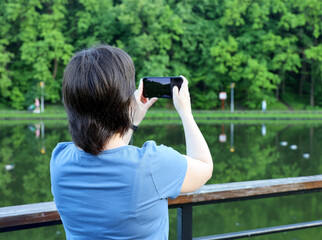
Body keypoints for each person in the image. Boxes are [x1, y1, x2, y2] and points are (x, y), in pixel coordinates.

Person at [50, 45, 213, 240]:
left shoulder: (60, 160)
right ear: (124, 100)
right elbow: (204, 166)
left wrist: (131, 120)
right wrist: (185, 111)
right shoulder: (153, 164)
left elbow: (105, 148)